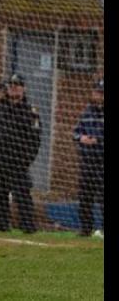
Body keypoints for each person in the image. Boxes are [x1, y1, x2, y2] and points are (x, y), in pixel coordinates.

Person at [0, 74, 41, 233]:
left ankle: (28, 227)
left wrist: (25, 160)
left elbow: (35, 140)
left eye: (17, 85)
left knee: (22, 195)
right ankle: (1, 225)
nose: (14, 88)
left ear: (23, 88)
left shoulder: (30, 112)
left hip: (18, 163)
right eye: (11, 85)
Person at [73, 78, 103, 237]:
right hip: (87, 162)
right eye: (98, 92)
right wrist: (81, 138)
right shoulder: (87, 113)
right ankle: (85, 228)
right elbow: (76, 132)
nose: (100, 95)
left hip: (101, 161)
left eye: (102, 93)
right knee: (85, 196)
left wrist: (97, 140)